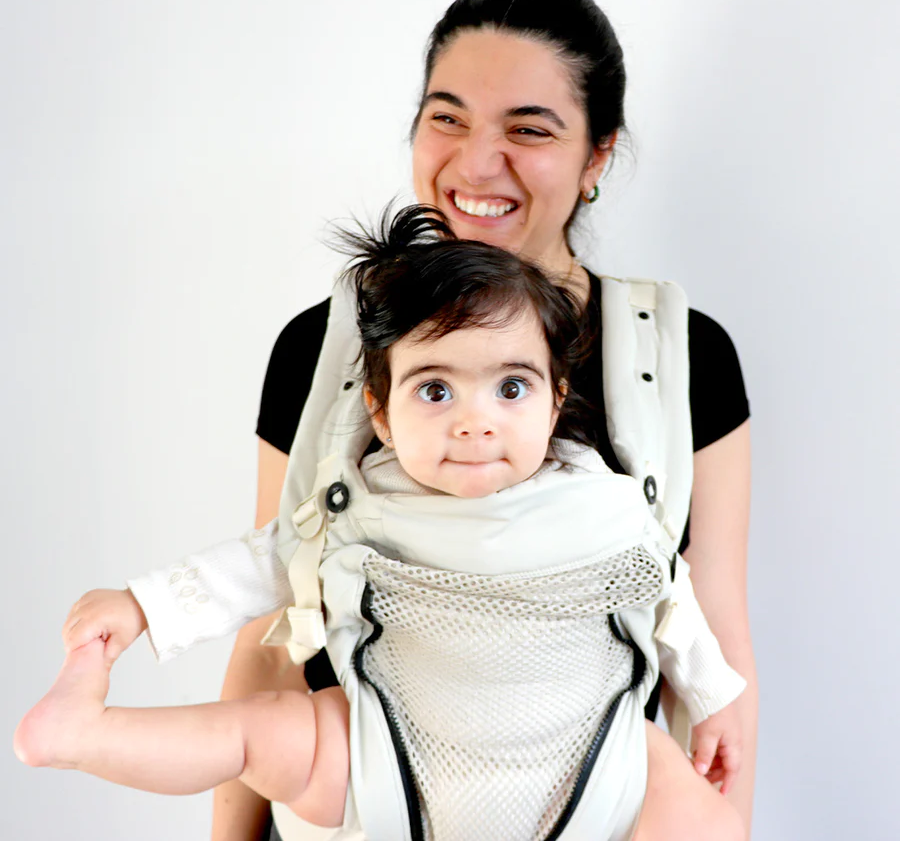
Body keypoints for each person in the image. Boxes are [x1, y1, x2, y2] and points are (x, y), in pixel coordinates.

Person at [15, 207, 746, 841]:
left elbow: (671, 598)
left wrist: (712, 699)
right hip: (388, 763)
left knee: (703, 814)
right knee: (258, 732)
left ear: (555, 401)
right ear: (382, 414)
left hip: (591, 770)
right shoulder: (360, 504)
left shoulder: (605, 502)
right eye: (435, 391)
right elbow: (259, 564)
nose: (475, 422)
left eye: (510, 387)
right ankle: (86, 734)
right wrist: (141, 606)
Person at [236, 0, 756, 841]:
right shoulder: (319, 348)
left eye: (529, 129)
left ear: (597, 157)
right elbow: (269, 630)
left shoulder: (685, 357)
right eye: (447, 117)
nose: (477, 165)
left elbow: (719, 642)